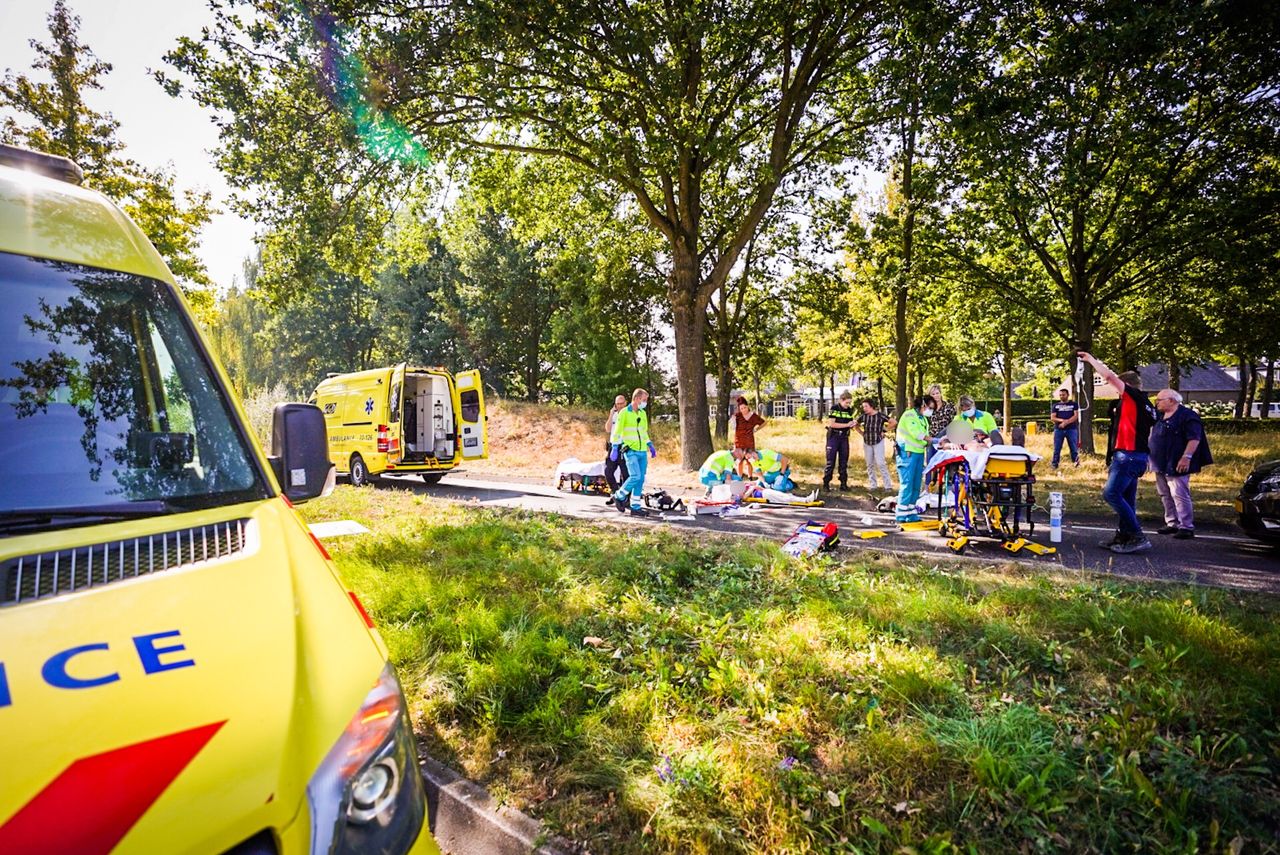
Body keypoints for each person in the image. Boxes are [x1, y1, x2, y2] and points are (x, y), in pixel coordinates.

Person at [1078, 352, 1157, 554]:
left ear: (1127, 385)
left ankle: (1138, 536)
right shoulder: (1147, 405)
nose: (1116, 391)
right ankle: (1124, 536)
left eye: (1118, 388)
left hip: (1127, 455)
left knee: (1111, 494)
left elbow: (1109, 376)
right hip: (1137, 456)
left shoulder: (1132, 396)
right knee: (1127, 499)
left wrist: (1090, 360)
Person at [1150, 389, 1212, 539]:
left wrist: (1186, 457)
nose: (1156, 403)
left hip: (1176, 461)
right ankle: (1172, 522)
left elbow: (1194, 438)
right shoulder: (1159, 416)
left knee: (1179, 494)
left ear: (1171, 400)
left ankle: (1186, 526)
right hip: (1160, 461)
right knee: (1165, 493)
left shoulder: (1187, 416)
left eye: (1159, 400)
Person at [609, 387, 657, 516]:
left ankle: (635, 507)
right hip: (630, 450)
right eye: (644, 400)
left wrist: (649, 444)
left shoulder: (642, 413)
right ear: (636, 399)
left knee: (640, 479)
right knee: (635, 476)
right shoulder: (624, 413)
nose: (645, 402)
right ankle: (618, 495)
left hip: (642, 451)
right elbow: (617, 431)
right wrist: (614, 447)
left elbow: (643, 432)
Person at [894, 394, 935, 523]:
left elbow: (924, 437)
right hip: (907, 454)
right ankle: (901, 514)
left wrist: (931, 442)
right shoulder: (909, 415)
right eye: (930, 408)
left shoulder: (923, 419)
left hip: (918, 453)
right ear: (923, 405)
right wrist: (934, 440)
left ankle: (911, 513)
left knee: (916, 484)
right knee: (907, 484)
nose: (931, 411)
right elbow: (917, 434)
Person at [855, 398, 894, 491]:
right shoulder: (863, 416)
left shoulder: (880, 415)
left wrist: (884, 431)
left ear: (871, 406)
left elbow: (893, 422)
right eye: (863, 407)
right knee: (869, 464)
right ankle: (873, 485)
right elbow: (855, 424)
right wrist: (861, 433)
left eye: (866, 406)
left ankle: (888, 486)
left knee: (881, 463)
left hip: (878, 441)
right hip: (867, 442)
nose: (864, 408)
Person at [822, 392, 857, 491]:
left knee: (844, 461)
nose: (848, 405)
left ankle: (843, 483)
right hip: (834, 436)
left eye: (849, 403)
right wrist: (847, 425)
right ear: (841, 400)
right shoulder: (834, 408)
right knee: (830, 461)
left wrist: (852, 424)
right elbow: (832, 424)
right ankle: (826, 483)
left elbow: (849, 423)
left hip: (844, 437)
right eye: (847, 402)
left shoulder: (849, 410)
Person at [602, 394, 630, 495]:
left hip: (624, 446)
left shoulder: (629, 414)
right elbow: (608, 429)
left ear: (625, 403)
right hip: (613, 446)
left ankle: (625, 495)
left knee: (625, 473)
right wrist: (611, 414)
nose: (620, 406)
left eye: (622, 404)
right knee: (608, 471)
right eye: (618, 404)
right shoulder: (614, 415)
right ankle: (615, 492)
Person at [1050, 387, 1080, 468]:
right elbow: (1053, 418)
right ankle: (1054, 464)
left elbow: (1075, 416)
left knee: (1074, 448)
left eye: (1063, 395)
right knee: (1057, 448)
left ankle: (1076, 463)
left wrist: (1066, 423)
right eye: (1060, 395)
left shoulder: (1074, 404)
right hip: (1058, 429)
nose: (1062, 396)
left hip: (1071, 429)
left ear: (1067, 395)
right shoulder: (1055, 406)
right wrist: (1062, 421)